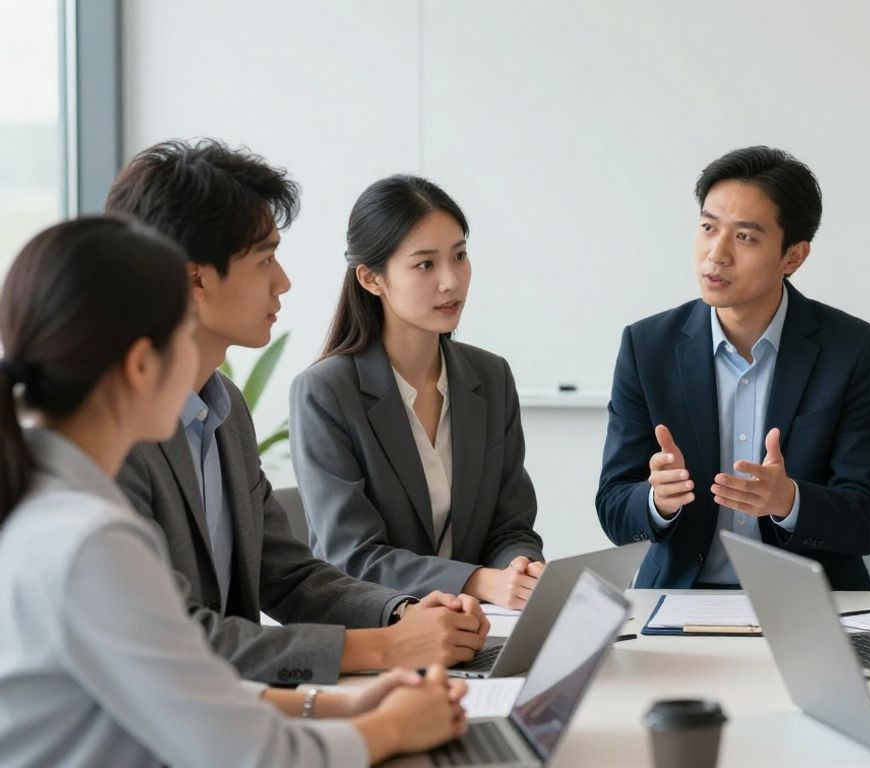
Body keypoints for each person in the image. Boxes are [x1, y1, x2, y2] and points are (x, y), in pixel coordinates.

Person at [0, 217, 469, 767]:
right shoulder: (89, 541)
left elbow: (175, 687)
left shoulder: (53, 503)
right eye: (185, 335)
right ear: (143, 365)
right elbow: (252, 755)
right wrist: (388, 729)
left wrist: (329, 706)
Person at [105, 140, 488, 685]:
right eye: (265, 258)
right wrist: (383, 649)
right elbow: (175, 641)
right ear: (195, 279)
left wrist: (400, 614)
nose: (283, 280)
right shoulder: (116, 434)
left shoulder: (224, 408)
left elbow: (287, 575)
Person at [596, 145, 870, 590]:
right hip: (680, 598)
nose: (716, 254)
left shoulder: (852, 351)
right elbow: (615, 507)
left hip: (810, 603)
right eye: (708, 228)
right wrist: (656, 500)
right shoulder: (648, 347)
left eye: (745, 237)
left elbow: (869, 518)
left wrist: (788, 499)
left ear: (793, 256)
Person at [291, 174, 545, 609]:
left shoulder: (491, 376)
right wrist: (478, 581)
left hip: (481, 627)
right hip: (384, 631)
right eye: (425, 264)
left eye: (460, 256)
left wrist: (520, 568)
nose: (451, 281)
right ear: (372, 279)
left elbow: (511, 527)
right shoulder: (325, 392)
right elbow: (351, 557)